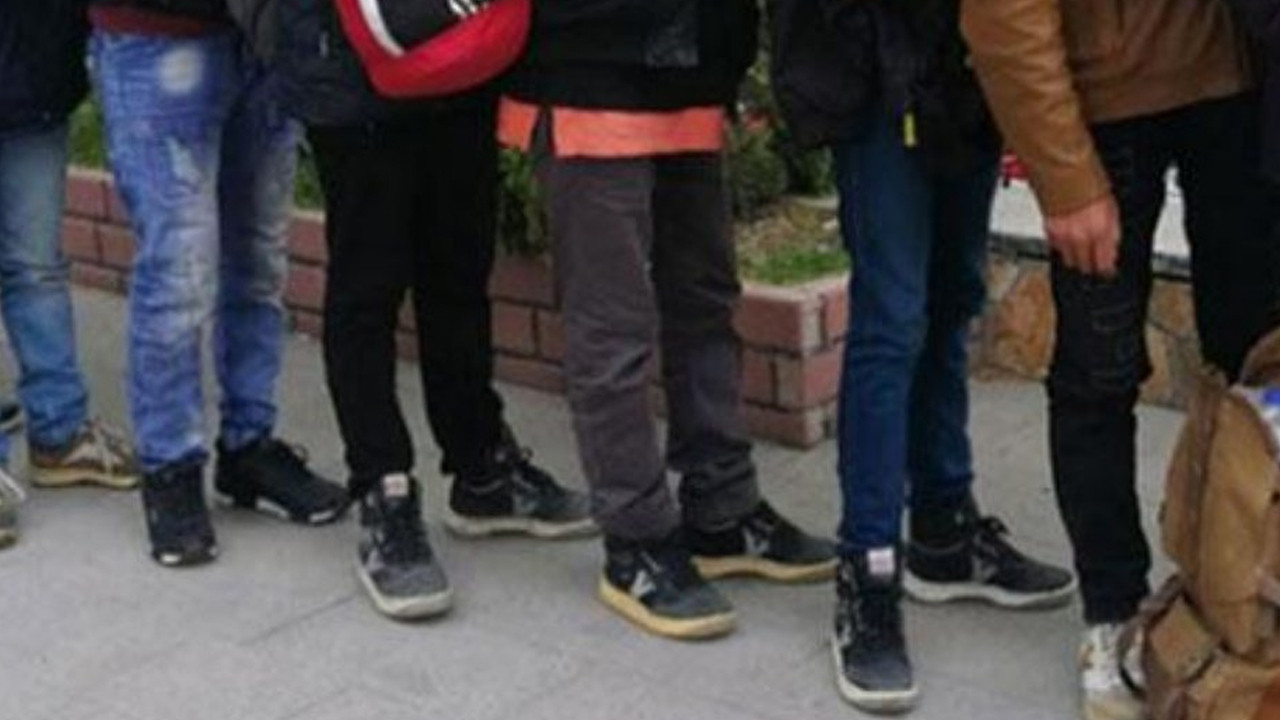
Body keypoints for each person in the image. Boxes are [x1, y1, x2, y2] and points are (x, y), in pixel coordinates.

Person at [960, 1, 1278, 718]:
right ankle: (1112, 609)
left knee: (1256, 370)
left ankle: (1237, 599)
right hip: (1106, 103)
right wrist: (1064, 175)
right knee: (1097, 373)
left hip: (1241, 86)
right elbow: (1004, 12)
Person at [772, 0, 1077, 710]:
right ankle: (868, 571)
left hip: (965, 71)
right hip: (878, 71)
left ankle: (944, 531)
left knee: (953, 299)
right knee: (892, 320)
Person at [499, 0, 837, 641]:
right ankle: (636, 539)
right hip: (587, 74)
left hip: (692, 73)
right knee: (612, 327)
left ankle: (723, 509)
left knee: (705, 305)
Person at [274, 0, 596, 620]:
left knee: (458, 272)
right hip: (351, 73)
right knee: (367, 290)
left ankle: (482, 469)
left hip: (458, 60)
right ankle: (384, 489)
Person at [89, 0, 349, 567]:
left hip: (264, 40)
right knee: (178, 274)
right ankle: (171, 467)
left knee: (258, 262)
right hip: (156, 35)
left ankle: (248, 446)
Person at [0, 0, 141, 549]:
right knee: (35, 270)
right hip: (33, 77)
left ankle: (59, 431)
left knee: (38, 269)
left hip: (35, 86)